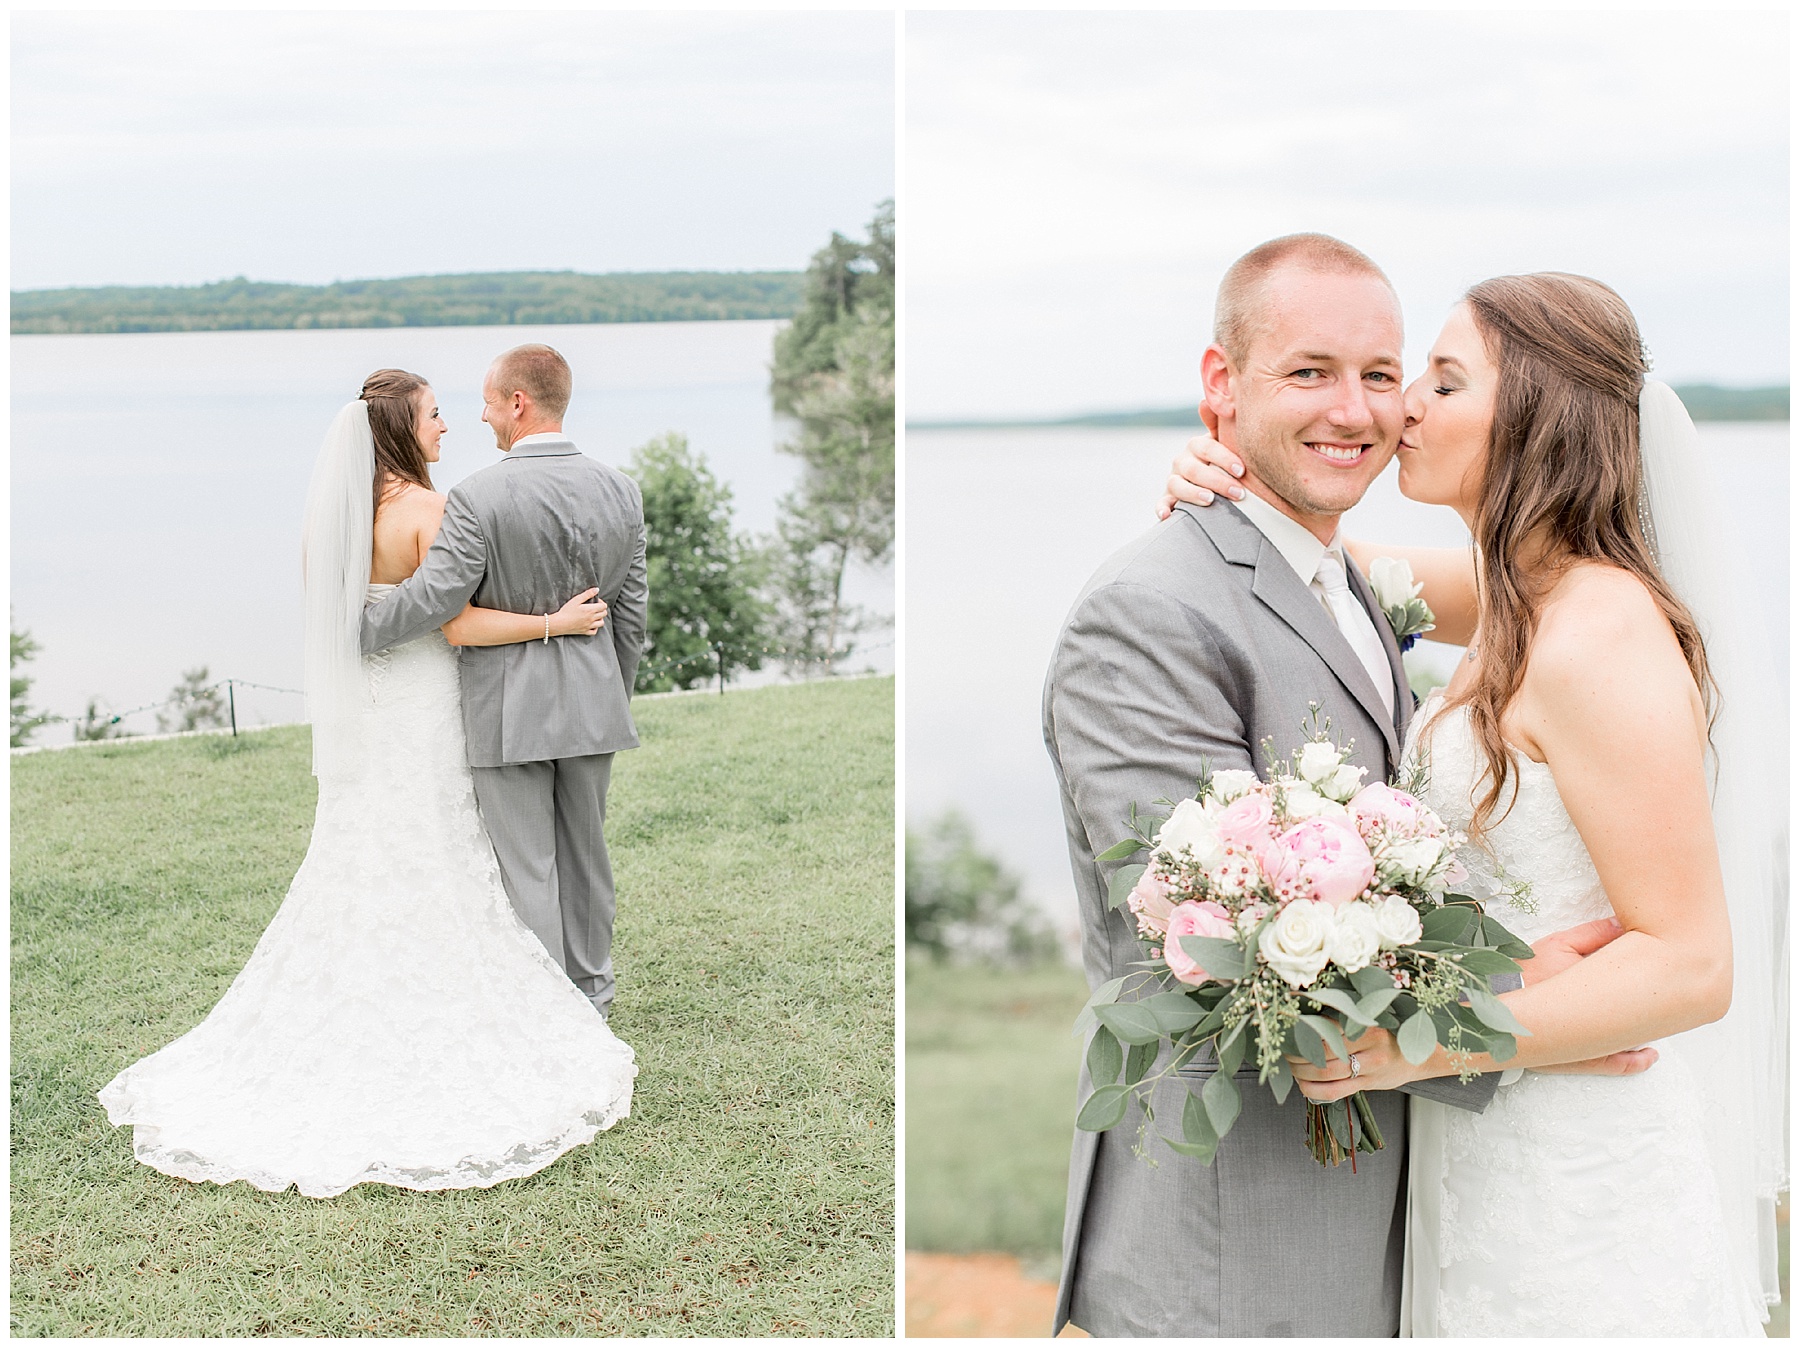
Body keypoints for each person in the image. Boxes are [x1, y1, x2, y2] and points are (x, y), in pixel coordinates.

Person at [1044, 234, 1667, 1338]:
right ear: (1219, 388)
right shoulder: (1147, 613)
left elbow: (1537, 587)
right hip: (1239, 1245)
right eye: (1309, 372)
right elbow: (1205, 947)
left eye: (1385, 376)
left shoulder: (1363, 585)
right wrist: (1513, 1009)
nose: (1363, 408)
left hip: (1393, 1216)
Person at [1163, 272, 1784, 1333]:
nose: (1402, 406)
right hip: (1487, 1144)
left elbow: (1691, 962)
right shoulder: (1514, 594)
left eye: (1442, 384)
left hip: (1583, 1178)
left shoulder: (1600, 630)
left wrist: (1422, 1041)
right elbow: (1316, 559)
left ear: (1539, 417)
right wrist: (1214, 475)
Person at [98, 367, 638, 1199]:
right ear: (399, 431)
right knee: (458, 852)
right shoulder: (434, 510)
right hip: (427, 709)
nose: (447, 426)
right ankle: (556, 1001)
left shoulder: (328, 522)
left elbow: (343, 619)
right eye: (432, 415)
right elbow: (453, 620)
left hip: (377, 724)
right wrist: (557, 622)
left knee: (364, 853)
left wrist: (352, 634)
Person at [360, 344, 648, 1021]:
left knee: (528, 871)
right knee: (587, 862)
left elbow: (434, 600)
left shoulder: (478, 496)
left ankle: (548, 1020)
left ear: (517, 402)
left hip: (506, 713)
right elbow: (630, 616)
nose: (482, 418)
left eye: (489, 403)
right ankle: (594, 1002)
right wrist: (612, 691)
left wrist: (357, 628)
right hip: (592, 706)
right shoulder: (621, 490)